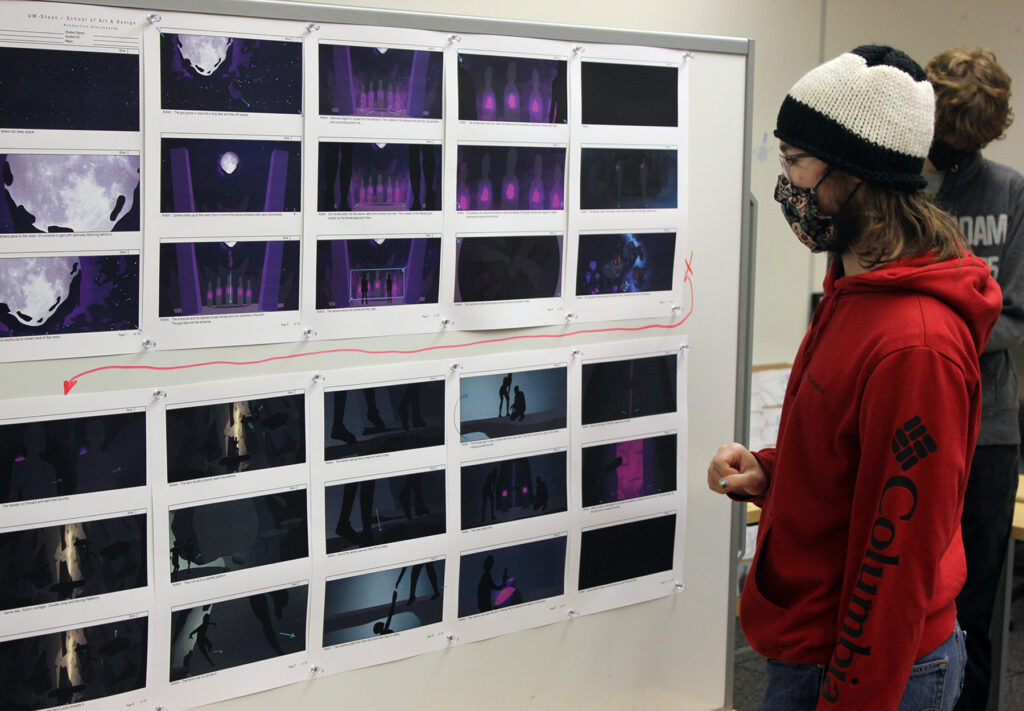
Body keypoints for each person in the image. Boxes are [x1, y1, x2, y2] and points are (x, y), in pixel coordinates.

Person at [707, 46, 1001, 711]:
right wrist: (773, 473)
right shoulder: (854, 283)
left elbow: (898, 563)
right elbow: (852, 459)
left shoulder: (916, 346)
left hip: (860, 666)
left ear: (857, 174)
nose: (786, 182)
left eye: (796, 161)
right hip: (812, 641)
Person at [924, 46, 1024, 711]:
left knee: (974, 610)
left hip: (988, 432)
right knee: (909, 597)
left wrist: (931, 336)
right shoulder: (902, 188)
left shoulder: (1011, 193)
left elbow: (1016, 316)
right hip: (917, 422)